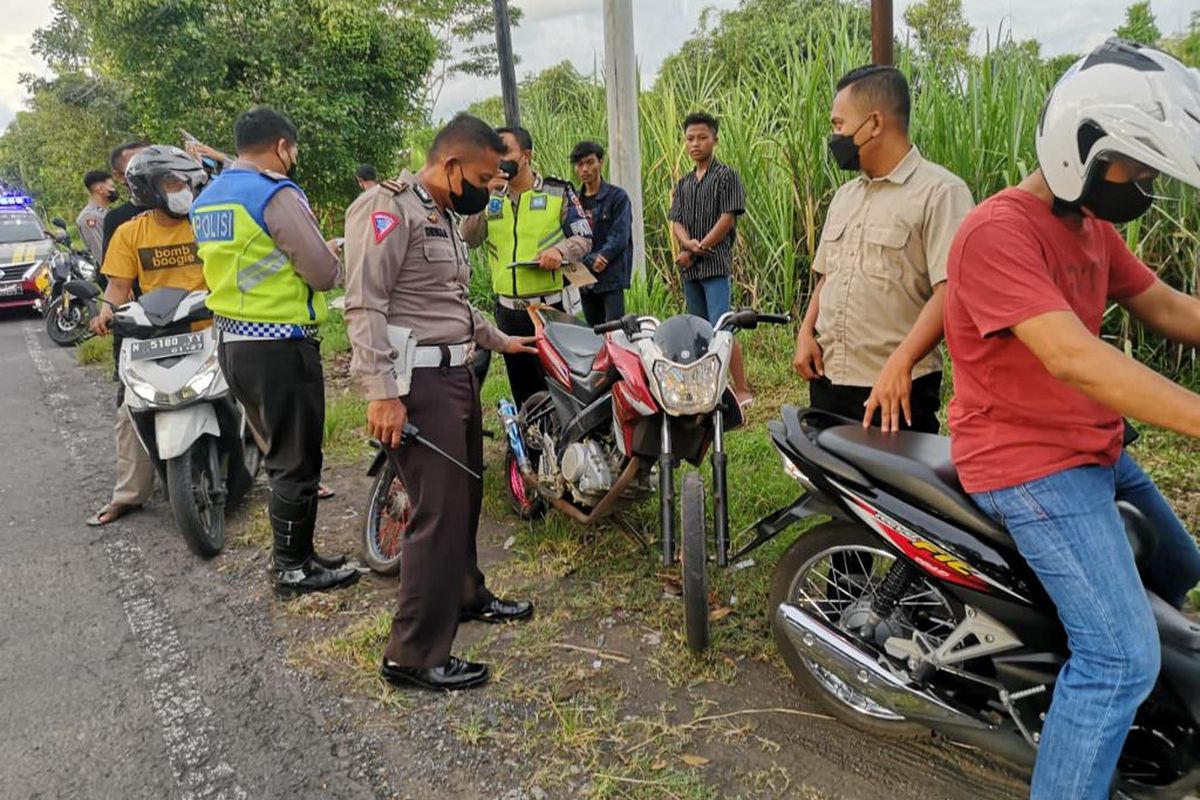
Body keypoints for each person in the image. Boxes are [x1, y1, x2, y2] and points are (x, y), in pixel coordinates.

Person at [944, 40, 1200, 800]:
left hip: (1088, 446)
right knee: (1121, 656)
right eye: (1139, 169)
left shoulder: (1092, 228)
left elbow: (1163, 308)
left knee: (1182, 567)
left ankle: (1122, 702)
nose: (1146, 187)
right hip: (1028, 462)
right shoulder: (999, 232)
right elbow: (1071, 357)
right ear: (1081, 149)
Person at [344, 113, 537, 692]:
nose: (489, 189)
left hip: (456, 378)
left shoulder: (443, 218)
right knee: (435, 514)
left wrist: (501, 340)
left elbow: (449, 302)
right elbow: (365, 305)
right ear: (452, 167)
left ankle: (465, 594)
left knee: (465, 497)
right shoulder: (388, 209)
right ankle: (413, 654)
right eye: (482, 177)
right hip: (417, 384)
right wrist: (381, 393)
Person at [191, 106, 356, 597]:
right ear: (282, 146)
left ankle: (299, 555)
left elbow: (252, 258)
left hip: (235, 343)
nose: (294, 157)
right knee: (296, 457)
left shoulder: (210, 197)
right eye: (294, 149)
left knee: (282, 450)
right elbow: (323, 274)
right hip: (280, 343)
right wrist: (331, 257)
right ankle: (291, 566)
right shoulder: (274, 192)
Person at [792, 65, 974, 433]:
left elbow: (951, 290)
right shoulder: (845, 196)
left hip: (896, 389)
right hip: (830, 378)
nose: (834, 136)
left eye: (838, 124)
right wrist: (806, 332)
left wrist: (901, 363)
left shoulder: (940, 193)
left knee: (890, 491)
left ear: (874, 123)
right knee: (832, 488)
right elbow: (829, 273)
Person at [85, 146, 210, 527]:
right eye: (172, 183)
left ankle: (288, 476)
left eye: (184, 182)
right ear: (151, 189)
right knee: (131, 411)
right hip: (155, 331)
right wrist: (107, 310)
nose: (181, 189)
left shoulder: (207, 222)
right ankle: (128, 494)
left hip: (209, 327)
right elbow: (118, 285)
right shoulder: (129, 233)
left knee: (253, 387)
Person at [461, 126, 592, 409]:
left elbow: (584, 238)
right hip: (509, 312)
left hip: (550, 310)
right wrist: (481, 195)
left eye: (505, 150)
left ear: (526, 156)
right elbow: (469, 238)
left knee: (560, 388)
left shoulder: (558, 192)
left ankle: (565, 449)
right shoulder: (490, 198)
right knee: (523, 390)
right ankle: (532, 447)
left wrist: (560, 251)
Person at [668, 112, 752, 407]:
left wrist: (693, 249)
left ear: (714, 139)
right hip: (691, 271)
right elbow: (676, 221)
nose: (695, 144)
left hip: (715, 265)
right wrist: (685, 242)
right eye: (690, 138)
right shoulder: (684, 183)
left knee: (722, 328)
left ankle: (741, 389)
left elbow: (727, 219)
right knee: (699, 331)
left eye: (702, 137)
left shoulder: (726, 176)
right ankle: (709, 387)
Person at [570, 140, 632, 326]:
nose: (585, 169)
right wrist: (589, 260)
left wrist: (603, 256)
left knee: (615, 330)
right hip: (584, 276)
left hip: (610, 273)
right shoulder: (573, 202)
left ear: (601, 162)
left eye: (590, 162)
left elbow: (620, 234)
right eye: (580, 165)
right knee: (593, 332)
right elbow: (569, 235)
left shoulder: (617, 197)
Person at [76, 169, 117, 263]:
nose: (114, 190)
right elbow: (101, 253)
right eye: (111, 187)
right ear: (100, 189)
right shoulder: (90, 217)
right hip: (110, 272)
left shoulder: (104, 212)